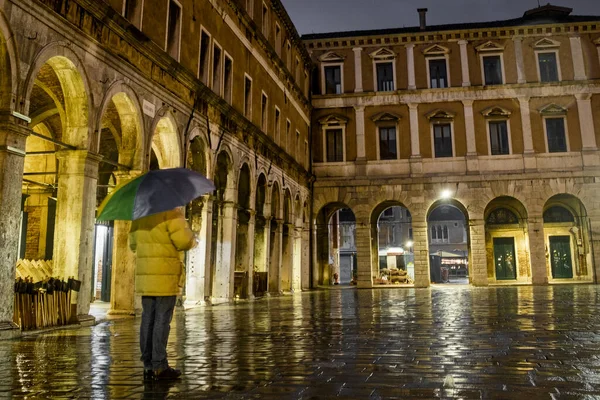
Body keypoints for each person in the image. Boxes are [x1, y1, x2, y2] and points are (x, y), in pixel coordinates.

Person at [129, 207, 196, 381]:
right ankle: (159, 365)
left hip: (146, 276)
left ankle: (148, 365)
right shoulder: (172, 212)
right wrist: (192, 238)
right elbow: (183, 241)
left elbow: (133, 244)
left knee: (147, 319)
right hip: (165, 274)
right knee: (162, 320)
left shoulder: (141, 214)